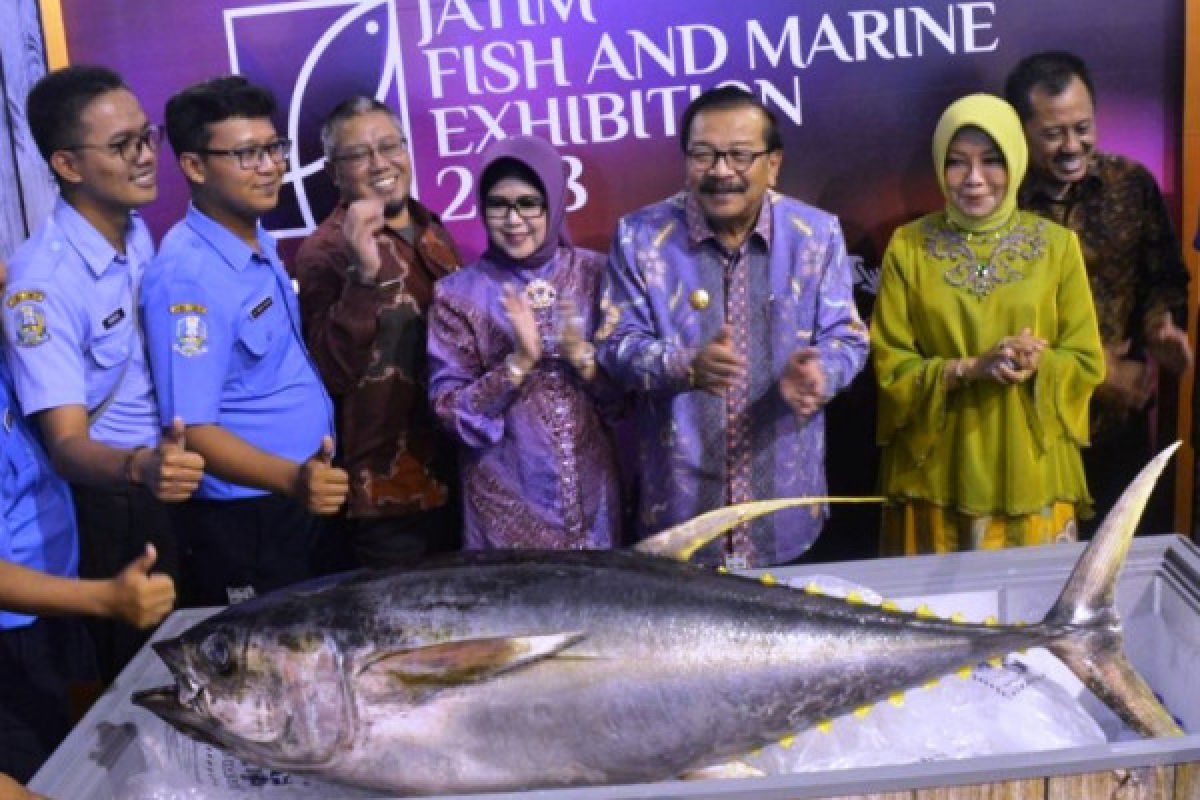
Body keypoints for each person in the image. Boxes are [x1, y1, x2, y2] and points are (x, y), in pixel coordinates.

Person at [595, 86, 869, 568]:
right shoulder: (640, 238)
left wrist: (822, 371)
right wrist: (684, 366)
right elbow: (616, 345)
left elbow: (848, 336)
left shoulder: (815, 235)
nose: (721, 171)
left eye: (740, 155)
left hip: (785, 512)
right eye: (704, 155)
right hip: (681, 520)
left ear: (773, 163)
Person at [3, 65, 202, 679]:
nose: (146, 157)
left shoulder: (137, 234)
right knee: (138, 689)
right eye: (122, 146)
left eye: (148, 137)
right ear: (68, 165)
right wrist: (138, 467)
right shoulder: (42, 286)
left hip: (169, 478)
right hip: (110, 503)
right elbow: (65, 446)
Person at [142, 76, 348, 607]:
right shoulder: (188, 276)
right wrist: (292, 480)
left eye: (273, 148)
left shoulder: (256, 237)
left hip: (296, 501)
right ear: (194, 167)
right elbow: (192, 430)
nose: (271, 166)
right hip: (246, 521)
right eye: (247, 154)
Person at [872, 94, 1104, 554]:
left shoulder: (1057, 246)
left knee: (1028, 614)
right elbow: (890, 364)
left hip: (1030, 467)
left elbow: (1085, 360)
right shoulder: (909, 247)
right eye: (957, 163)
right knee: (938, 617)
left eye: (992, 161)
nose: (974, 180)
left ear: (1016, 160)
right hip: (936, 468)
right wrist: (968, 369)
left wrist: (1040, 361)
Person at [0, 256, 175, 784]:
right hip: (12, 644)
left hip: (54, 613)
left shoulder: (17, 355)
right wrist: (105, 599)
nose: (6, 273)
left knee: (81, 767)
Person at [1005, 52, 1192, 535]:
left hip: (1119, 427)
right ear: (1020, 130)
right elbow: (990, 318)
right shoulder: (997, 205)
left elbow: (1164, 278)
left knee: (1122, 567)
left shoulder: (1131, 185)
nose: (1073, 145)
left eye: (1082, 127)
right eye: (1053, 133)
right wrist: (1096, 372)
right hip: (1030, 436)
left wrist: (1159, 327)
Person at [428, 135, 620, 549]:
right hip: (505, 504)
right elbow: (450, 412)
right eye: (499, 205)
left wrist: (583, 359)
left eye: (528, 203)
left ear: (553, 201)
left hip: (593, 501)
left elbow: (629, 402)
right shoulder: (458, 294)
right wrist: (518, 363)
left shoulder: (597, 275)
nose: (514, 220)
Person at [296, 96, 462, 567]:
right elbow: (331, 373)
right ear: (333, 172)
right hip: (387, 499)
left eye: (389, 145)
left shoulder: (431, 228)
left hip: (458, 476)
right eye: (358, 155)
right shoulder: (326, 252)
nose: (379, 164)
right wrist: (363, 278)